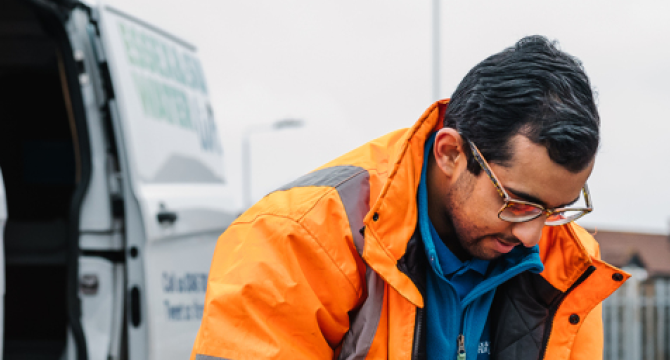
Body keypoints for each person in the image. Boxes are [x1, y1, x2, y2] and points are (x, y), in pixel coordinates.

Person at [191, 35, 628, 360]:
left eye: (556, 210)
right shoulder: (296, 240)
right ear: (451, 153)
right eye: (518, 203)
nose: (533, 235)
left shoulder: (569, 261)